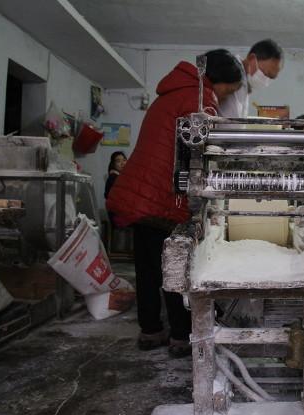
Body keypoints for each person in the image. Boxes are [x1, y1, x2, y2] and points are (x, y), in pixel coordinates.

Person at [106, 49, 243, 357]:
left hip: (140, 196)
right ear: (217, 81)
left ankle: (150, 330)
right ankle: (181, 335)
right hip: (165, 198)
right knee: (177, 268)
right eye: (228, 90)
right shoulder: (200, 99)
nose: (225, 97)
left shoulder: (170, 93)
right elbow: (207, 151)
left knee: (148, 271)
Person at [218, 39, 283, 118]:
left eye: (271, 78)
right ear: (252, 58)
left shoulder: (245, 84)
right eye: (265, 74)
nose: (266, 81)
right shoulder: (228, 68)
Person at [104, 151, 127, 226]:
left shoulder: (121, 176)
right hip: (117, 215)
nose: (122, 163)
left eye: (124, 160)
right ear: (113, 164)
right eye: (118, 161)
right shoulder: (114, 178)